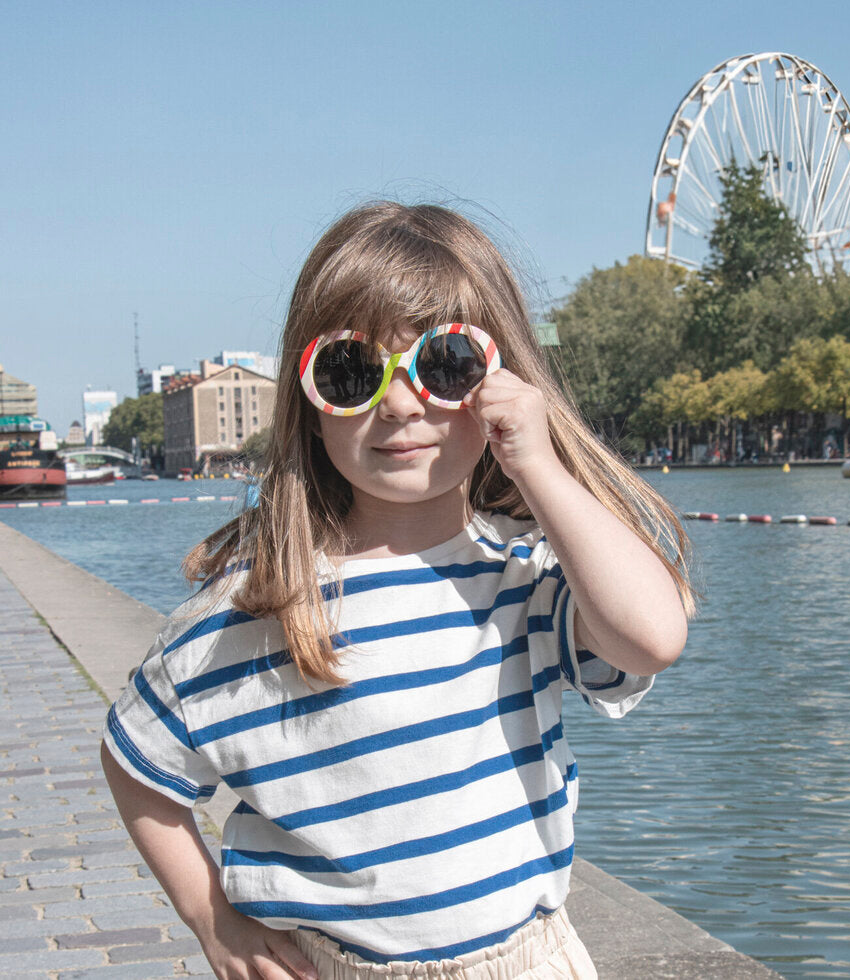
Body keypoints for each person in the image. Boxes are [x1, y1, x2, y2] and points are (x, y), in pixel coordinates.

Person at [101, 202, 695, 980]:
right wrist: (212, 919)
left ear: (500, 382)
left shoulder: (528, 579)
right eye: (352, 371)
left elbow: (653, 636)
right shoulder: (250, 614)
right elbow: (134, 760)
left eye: (445, 365)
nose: (401, 402)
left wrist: (542, 467)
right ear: (310, 407)